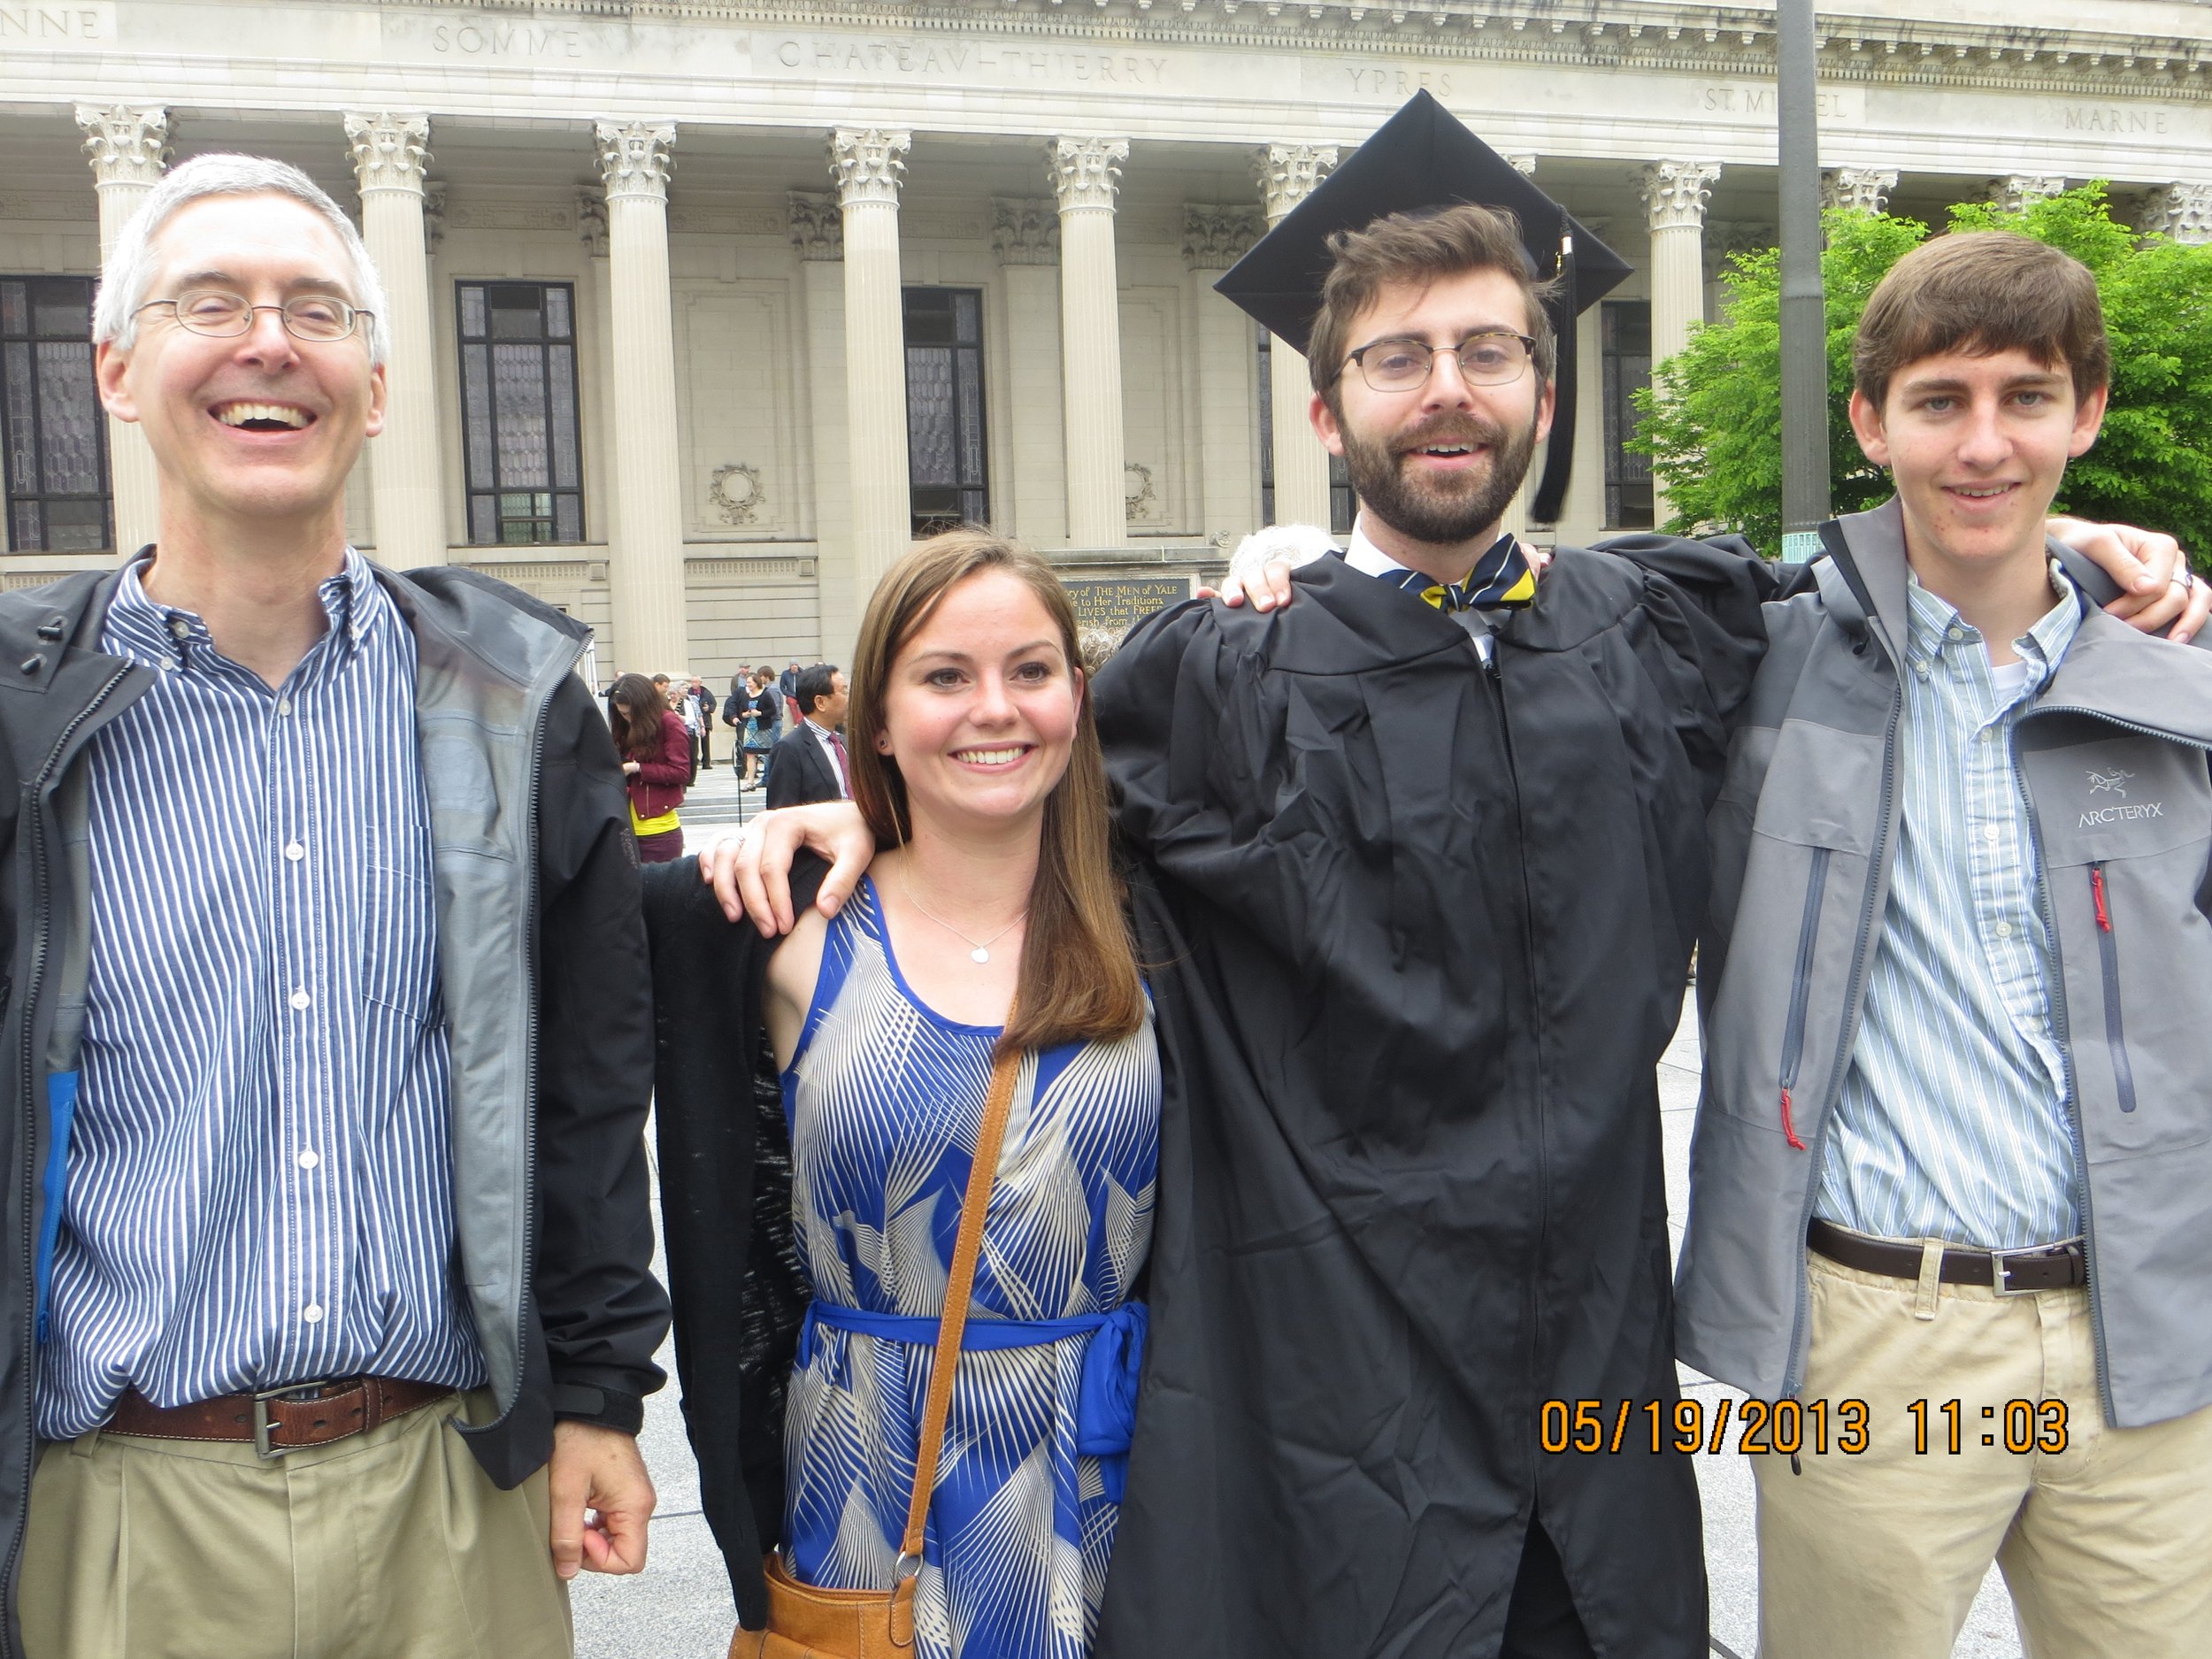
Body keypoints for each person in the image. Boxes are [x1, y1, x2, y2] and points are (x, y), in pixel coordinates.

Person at [706, 96, 2203, 1659]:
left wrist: (2071, 539)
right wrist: (855, 824)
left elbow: (1916, 571)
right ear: (1324, 410)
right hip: (1339, 1404)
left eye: (1489, 352)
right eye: (1398, 357)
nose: (1448, 389)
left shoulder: (1656, 632)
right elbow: (1016, 783)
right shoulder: (1224, 676)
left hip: (1594, 1389)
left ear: (1544, 394)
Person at [7, 153, 665, 1659]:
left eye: (316, 311)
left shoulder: (507, 704)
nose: (268, 343)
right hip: (122, 1507)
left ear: (374, 386)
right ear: (115, 371)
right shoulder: (23, 721)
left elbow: (585, 1083)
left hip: (447, 1496)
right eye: (209, 303)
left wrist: (598, 1393)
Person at [1677, 231, 2212, 1658]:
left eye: (2027, 398)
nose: (1984, 442)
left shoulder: (2177, 685)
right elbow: (1553, 601)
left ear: (2086, 412)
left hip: (2154, 1339)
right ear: (1871, 423)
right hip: (1876, 1335)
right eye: (1939, 401)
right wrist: (1297, 561)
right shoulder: (1762, 665)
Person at [643, 530, 1157, 1658]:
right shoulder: (780, 934)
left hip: (1115, 1481)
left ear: (1076, 698)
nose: (994, 708)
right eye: (944, 676)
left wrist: (1278, 571)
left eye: (1031, 671)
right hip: (869, 1477)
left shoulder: (1158, 926)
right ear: (874, 718)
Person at [611, 671, 692, 864]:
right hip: (628, 829)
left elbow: (681, 772)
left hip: (658, 832)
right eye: (623, 714)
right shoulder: (630, 727)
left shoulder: (668, 722)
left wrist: (638, 768)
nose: (628, 719)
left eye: (630, 713)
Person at [764, 662, 851, 809]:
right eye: (844, 692)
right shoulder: (789, 749)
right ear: (820, 702)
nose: (848, 699)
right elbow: (782, 812)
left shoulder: (844, 742)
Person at [741, 669, 781, 791]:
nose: (748, 685)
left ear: (756, 682)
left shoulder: (765, 694)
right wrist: (745, 714)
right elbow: (741, 712)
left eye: (750, 682)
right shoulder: (746, 696)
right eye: (747, 682)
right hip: (750, 728)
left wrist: (760, 713)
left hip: (764, 728)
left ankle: (771, 779)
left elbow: (773, 710)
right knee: (750, 754)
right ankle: (751, 782)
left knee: (767, 754)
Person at [688, 672, 718, 771]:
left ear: (700, 683)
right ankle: (694, 760)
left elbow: (713, 703)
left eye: (696, 682)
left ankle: (706, 762)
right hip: (693, 721)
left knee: (705, 742)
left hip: (705, 719)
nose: (694, 684)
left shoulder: (706, 692)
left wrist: (709, 708)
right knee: (693, 742)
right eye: (692, 682)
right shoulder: (688, 692)